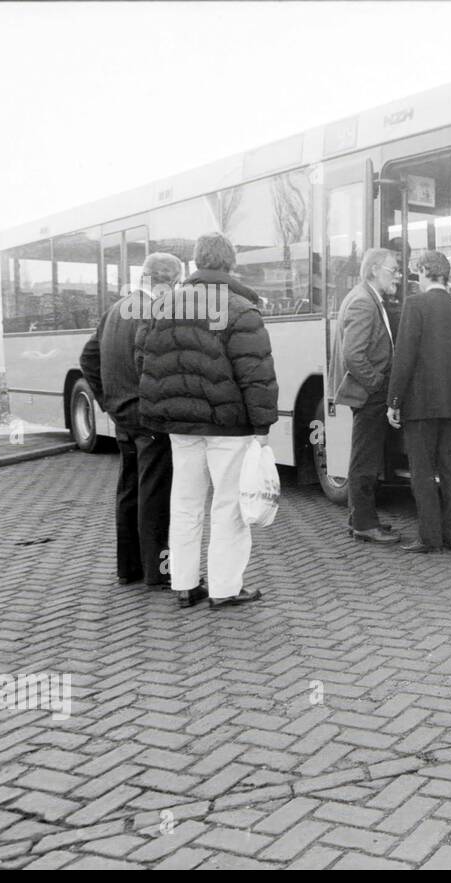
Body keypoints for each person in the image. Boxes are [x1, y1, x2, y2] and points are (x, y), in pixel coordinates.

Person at [136, 233, 278, 607]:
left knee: (184, 502)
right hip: (227, 427)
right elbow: (256, 375)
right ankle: (224, 589)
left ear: (196, 263)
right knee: (228, 506)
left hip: (179, 427)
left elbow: (144, 362)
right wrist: (262, 428)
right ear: (230, 263)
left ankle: (183, 585)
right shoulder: (241, 310)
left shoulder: (164, 307)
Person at [80, 253, 182, 590]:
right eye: (178, 282)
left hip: (122, 416)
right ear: (168, 280)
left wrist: (107, 400)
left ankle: (129, 567)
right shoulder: (154, 312)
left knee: (129, 489)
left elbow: (88, 358)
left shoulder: (115, 310)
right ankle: (158, 571)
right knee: (154, 492)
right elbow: (153, 366)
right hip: (149, 417)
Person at [386, 250, 451, 553]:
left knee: (422, 473)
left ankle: (429, 537)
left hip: (420, 405)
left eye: (417, 272)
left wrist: (393, 400)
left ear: (425, 271)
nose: (416, 278)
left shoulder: (416, 305)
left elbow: (405, 356)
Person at [329, 248, 404, 544]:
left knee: (365, 457)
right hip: (368, 395)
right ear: (374, 269)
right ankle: (363, 524)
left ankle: (360, 517)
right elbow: (354, 356)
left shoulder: (366, 297)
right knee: (365, 461)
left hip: (367, 393)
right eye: (393, 270)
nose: (397, 276)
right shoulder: (363, 302)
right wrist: (378, 385)